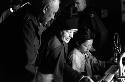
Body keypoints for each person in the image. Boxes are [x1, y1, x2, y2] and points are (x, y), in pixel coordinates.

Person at [1, 0, 60, 82]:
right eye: (53, 13)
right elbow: (26, 62)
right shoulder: (26, 23)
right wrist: (39, 77)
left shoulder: (30, 15)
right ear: (45, 9)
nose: (53, 17)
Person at [35, 16, 94, 82]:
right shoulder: (57, 46)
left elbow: (61, 64)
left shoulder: (61, 40)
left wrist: (80, 77)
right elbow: (58, 76)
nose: (71, 36)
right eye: (69, 32)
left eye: (73, 32)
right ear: (60, 29)